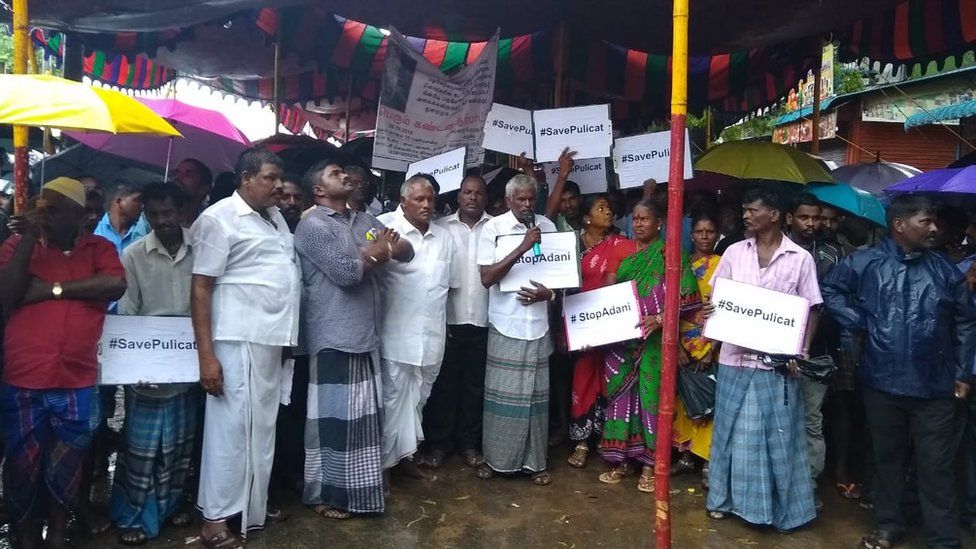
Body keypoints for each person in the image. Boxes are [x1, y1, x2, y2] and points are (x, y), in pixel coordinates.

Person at [822, 194, 976, 549]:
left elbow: (967, 322)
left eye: (934, 222)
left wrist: (963, 374)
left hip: (935, 386)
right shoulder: (866, 263)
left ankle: (943, 539)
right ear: (899, 225)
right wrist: (859, 321)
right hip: (881, 382)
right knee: (886, 459)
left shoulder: (944, 271)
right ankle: (889, 525)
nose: (935, 228)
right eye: (926, 222)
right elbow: (830, 290)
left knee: (935, 465)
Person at [0, 177, 126, 549]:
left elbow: (114, 285)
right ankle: (24, 536)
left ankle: (56, 533)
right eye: (41, 208)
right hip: (24, 377)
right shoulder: (17, 246)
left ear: (79, 214)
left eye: (55, 209)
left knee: (67, 465)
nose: (46, 216)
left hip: (76, 377)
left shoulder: (99, 248)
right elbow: (7, 295)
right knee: (22, 465)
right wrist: (27, 239)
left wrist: (51, 290)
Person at [189, 148, 300, 547]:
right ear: (246, 178)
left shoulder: (273, 219)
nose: (278, 185)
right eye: (270, 177)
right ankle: (215, 519)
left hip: (268, 340)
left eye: (279, 178)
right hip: (235, 341)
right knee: (230, 430)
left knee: (262, 429)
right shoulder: (220, 219)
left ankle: (252, 505)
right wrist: (206, 356)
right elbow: (201, 287)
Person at [295, 159, 412, 519]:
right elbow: (346, 273)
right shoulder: (312, 226)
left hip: (365, 334)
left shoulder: (364, 220)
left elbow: (406, 251)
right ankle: (328, 496)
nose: (345, 176)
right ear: (318, 190)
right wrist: (376, 253)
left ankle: (360, 493)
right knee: (333, 426)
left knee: (361, 424)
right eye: (334, 174)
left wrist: (377, 251)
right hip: (332, 336)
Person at [703, 187, 821, 532]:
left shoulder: (800, 258)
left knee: (778, 435)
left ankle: (780, 509)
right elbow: (717, 298)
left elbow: (812, 309)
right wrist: (712, 309)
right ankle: (724, 500)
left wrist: (803, 350)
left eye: (752, 210)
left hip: (778, 362)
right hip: (735, 359)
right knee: (731, 431)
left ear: (773, 215)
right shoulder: (733, 253)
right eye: (744, 210)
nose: (745, 216)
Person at [598, 199, 705, 493]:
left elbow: (687, 300)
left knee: (651, 401)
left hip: (656, 344)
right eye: (635, 218)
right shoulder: (628, 259)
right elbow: (611, 299)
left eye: (645, 218)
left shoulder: (673, 256)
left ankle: (649, 465)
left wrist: (660, 318)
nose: (638, 223)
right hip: (622, 343)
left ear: (659, 223)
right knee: (620, 400)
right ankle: (622, 461)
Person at [111, 183, 196, 545]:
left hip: (189, 363)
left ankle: (173, 503)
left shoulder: (203, 248)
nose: (162, 221)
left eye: (168, 214)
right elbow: (128, 314)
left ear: (181, 212)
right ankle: (132, 514)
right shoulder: (133, 255)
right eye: (154, 215)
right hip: (147, 363)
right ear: (145, 215)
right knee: (141, 448)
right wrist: (133, 366)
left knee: (180, 445)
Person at [476, 174, 557, 486]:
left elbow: (560, 279)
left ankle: (534, 464)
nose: (526, 205)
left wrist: (548, 294)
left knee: (536, 399)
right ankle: (499, 461)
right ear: (508, 201)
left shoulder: (548, 228)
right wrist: (523, 246)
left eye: (530, 199)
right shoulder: (493, 230)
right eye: (520, 199)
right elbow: (487, 278)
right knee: (502, 399)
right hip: (505, 325)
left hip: (537, 325)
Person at [375, 175, 457, 478]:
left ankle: (406, 458)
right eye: (419, 199)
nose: (426, 205)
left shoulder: (444, 237)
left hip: (432, 336)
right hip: (396, 333)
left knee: (419, 401)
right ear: (403, 200)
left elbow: (449, 288)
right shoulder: (381, 227)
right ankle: (381, 467)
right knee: (392, 400)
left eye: (430, 199)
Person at [423, 175, 492, 469]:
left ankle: (469, 444)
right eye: (467, 192)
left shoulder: (497, 228)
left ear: (485, 197)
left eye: (478, 193)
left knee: (476, 387)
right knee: (445, 386)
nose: (472, 197)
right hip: (449, 321)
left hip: (485, 319)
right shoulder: (440, 228)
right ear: (459, 196)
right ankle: (440, 444)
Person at [567, 195, 636, 470]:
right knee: (582, 380)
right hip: (580, 324)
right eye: (600, 208)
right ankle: (581, 442)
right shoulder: (570, 245)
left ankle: (605, 440)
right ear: (586, 217)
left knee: (610, 382)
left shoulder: (621, 244)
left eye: (608, 207)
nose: (607, 212)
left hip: (612, 327)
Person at [785, 193, 842, 495]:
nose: (811, 223)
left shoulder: (831, 255)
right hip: (776, 352)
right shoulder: (773, 251)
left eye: (816, 218)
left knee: (810, 421)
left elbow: (830, 303)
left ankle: (807, 486)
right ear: (789, 218)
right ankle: (780, 481)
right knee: (780, 419)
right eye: (804, 217)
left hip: (815, 352)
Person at [672, 210, 721, 488]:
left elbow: (727, 308)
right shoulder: (681, 266)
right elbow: (672, 310)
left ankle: (706, 461)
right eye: (700, 231)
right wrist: (678, 346)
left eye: (710, 232)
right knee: (683, 402)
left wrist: (712, 347)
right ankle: (685, 456)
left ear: (717, 235)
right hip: (682, 346)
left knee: (708, 403)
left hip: (709, 344)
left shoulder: (724, 265)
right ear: (691, 235)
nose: (704, 236)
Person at [94, 183, 148, 257]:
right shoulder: (96, 230)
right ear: (119, 201)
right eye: (138, 200)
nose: (142, 205)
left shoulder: (143, 230)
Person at [544, 148, 582, 232]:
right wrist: (563, 172)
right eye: (562, 201)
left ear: (580, 199)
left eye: (572, 199)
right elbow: (549, 213)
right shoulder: (556, 222)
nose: (568, 205)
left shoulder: (591, 219)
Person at [172, 158, 214, 226]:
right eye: (175, 173)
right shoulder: (154, 218)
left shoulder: (207, 225)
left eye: (188, 174)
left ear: (203, 188)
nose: (178, 177)